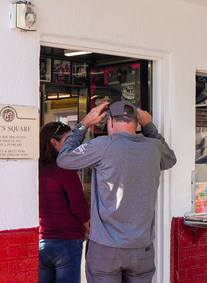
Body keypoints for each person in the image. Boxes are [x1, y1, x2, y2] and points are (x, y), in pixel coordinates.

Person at [58, 101, 177, 283]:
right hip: (142, 248)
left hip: (106, 248)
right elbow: (170, 159)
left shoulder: (103, 145)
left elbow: (64, 158)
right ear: (136, 124)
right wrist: (149, 126)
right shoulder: (154, 147)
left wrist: (85, 124)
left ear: (111, 122)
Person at [39, 121, 90, 283]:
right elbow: (78, 204)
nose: (72, 146)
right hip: (66, 241)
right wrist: (87, 224)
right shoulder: (65, 168)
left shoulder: (36, 169)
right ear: (54, 143)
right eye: (68, 141)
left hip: (41, 240)